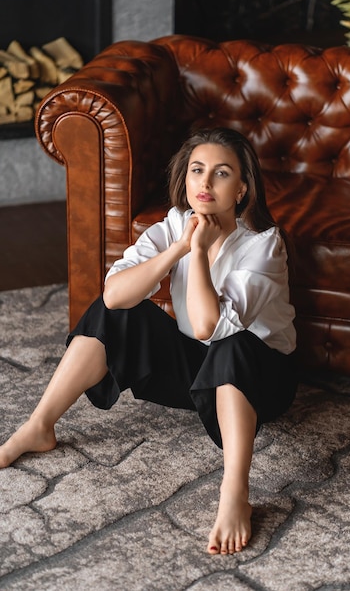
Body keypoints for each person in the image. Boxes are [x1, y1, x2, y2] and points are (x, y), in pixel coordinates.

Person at [0, 127, 297, 555]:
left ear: (242, 189)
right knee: (117, 313)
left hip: (262, 380)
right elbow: (114, 295)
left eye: (221, 173)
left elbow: (209, 328)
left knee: (233, 343)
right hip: (200, 375)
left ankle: (235, 494)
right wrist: (179, 248)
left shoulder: (263, 245)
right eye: (198, 170)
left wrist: (199, 253)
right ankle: (39, 426)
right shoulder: (177, 223)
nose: (205, 183)